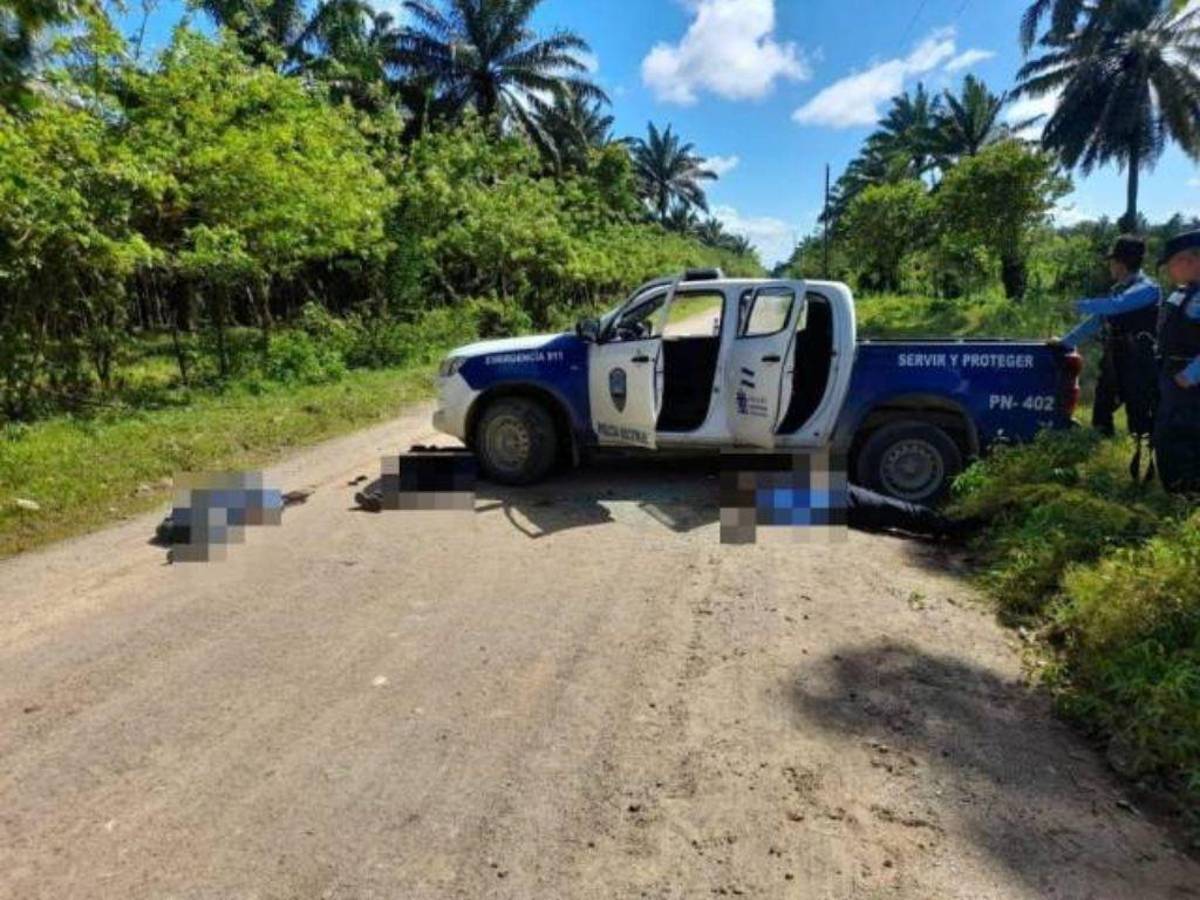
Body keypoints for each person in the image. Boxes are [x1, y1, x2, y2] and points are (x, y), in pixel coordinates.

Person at [1061, 236, 1161, 444]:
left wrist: (1078, 305)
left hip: (1139, 360)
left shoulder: (1148, 289)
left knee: (1139, 409)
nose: (1110, 267)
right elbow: (1096, 321)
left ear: (1121, 264)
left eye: (1112, 262)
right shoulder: (1117, 290)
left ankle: (1142, 458)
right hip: (1114, 356)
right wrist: (1066, 342)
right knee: (1102, 406)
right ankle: (1100, 449)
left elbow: (1117, 305)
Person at [1153, 230, 1200, 495]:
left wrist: (1192, 374)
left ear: (1190, 260)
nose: (1169, 271)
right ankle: (1177, 496)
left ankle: (1189, 502)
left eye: (1171, 264)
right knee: (1169, 438)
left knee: (1187, 440)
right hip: (1172, 377)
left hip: (1190, 382)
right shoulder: (1182, 293)